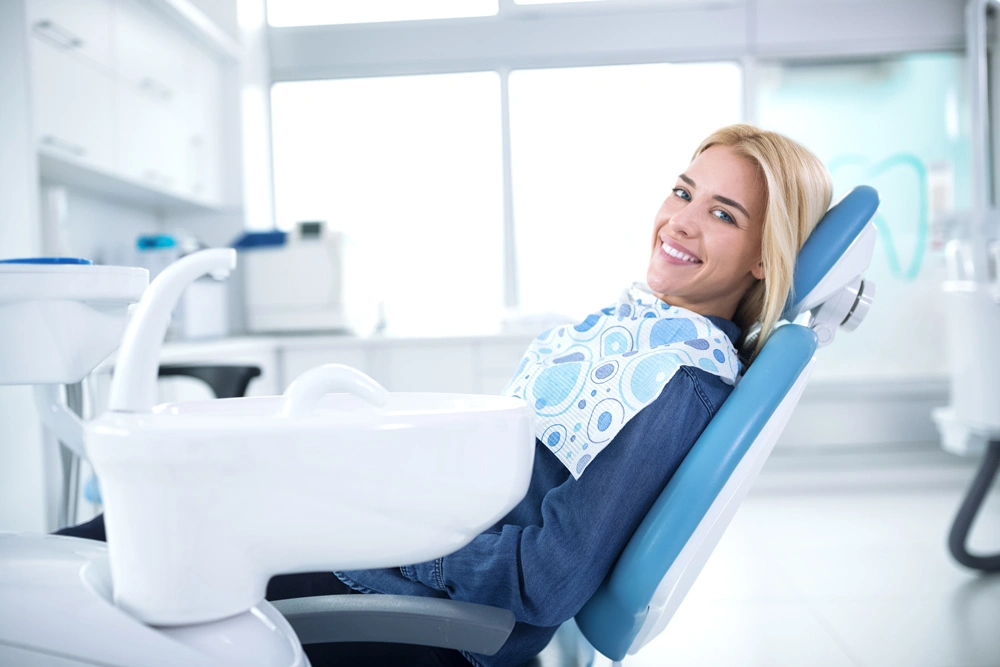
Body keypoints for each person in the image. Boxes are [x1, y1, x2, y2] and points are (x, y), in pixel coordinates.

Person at [58, 124, 833, 667]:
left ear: (764, 258)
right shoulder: (643, 334)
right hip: (404, 553)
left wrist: (385, 531)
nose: (681, 220)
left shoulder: (680, 380)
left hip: (445, 620)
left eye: (722, 214)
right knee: (160, 514)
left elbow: (548, 576)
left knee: (147, 553)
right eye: (683, 190)